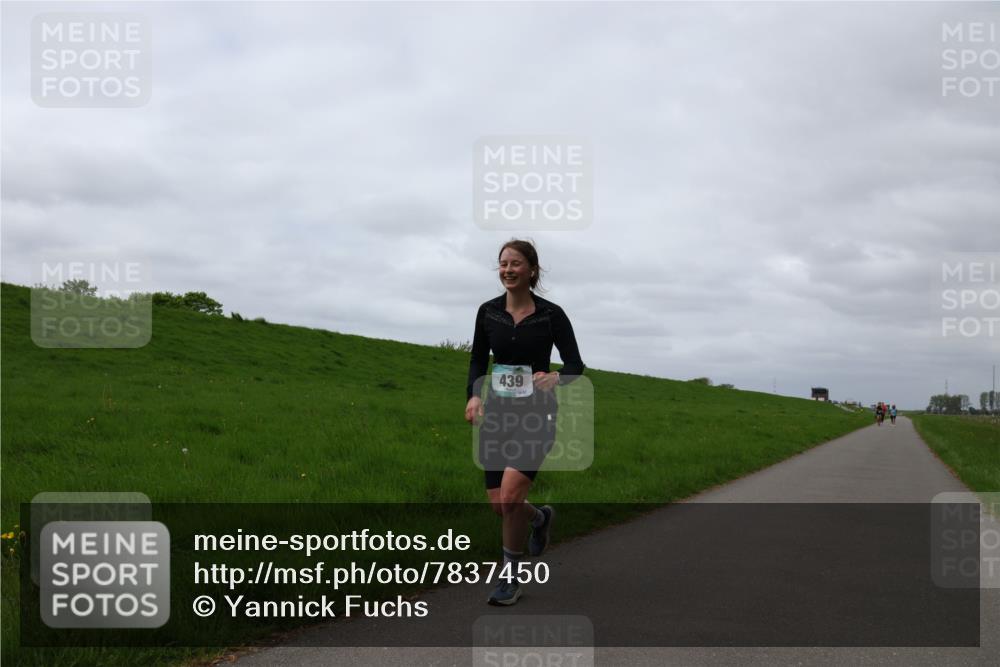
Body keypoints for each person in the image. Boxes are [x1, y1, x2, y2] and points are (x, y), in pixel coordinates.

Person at [464, 239, 585, 606]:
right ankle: (540, 518)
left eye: (516, 263)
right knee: (502, 506)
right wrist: (472, 395)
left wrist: (557, 377)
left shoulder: (551, 315)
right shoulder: (488, 313)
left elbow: (576, 365)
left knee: (513, 494)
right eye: (503, 264)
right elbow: (476, 361)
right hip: (497, 414)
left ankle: (510, 579)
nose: (508, 270)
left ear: (532, 270)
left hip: (537, 415)